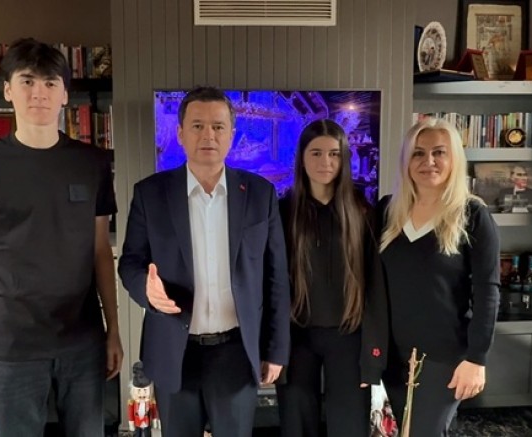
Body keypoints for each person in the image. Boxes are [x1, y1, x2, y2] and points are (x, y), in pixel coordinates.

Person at [0, 38, 123, 437]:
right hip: (12, 344)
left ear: (64, 94)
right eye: (27, 81)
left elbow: (101, 251)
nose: (39, 93)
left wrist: (113, 329)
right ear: (8, 90)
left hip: (82, 339)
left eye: (50, 83)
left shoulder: (92, 163)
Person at [117, 86, 291, 437]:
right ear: (180, 133)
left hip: (236, 351)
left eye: (218, 126)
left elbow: (276, 276)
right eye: (197, 126)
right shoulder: (150, 194)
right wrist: (146, 290)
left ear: (232, 134)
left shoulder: (260, 194)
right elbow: (130, 262)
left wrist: (276, 349)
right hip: (174, 351)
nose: (208, 135)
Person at [378, 118, 500, 436]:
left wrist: (477, 359)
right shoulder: (386, 212)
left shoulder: (473, 215)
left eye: (439, 152)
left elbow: (487, 292)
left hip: (444, 358)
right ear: (406, 160)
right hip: (389, 357)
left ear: (453, 158)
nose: (428, 161)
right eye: (418, 153)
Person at [275, 119, 388, 437]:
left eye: (334, 154)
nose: (325, 162)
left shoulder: (363, 212)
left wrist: (373, 356)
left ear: (345, 159)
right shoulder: (283, 212)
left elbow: (375, 286)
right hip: (297, 338)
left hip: (349, 338)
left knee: (349, 426)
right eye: (316, 153)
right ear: (301, 158)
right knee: (296, 426)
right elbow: (271, 284)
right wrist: (271, 347)